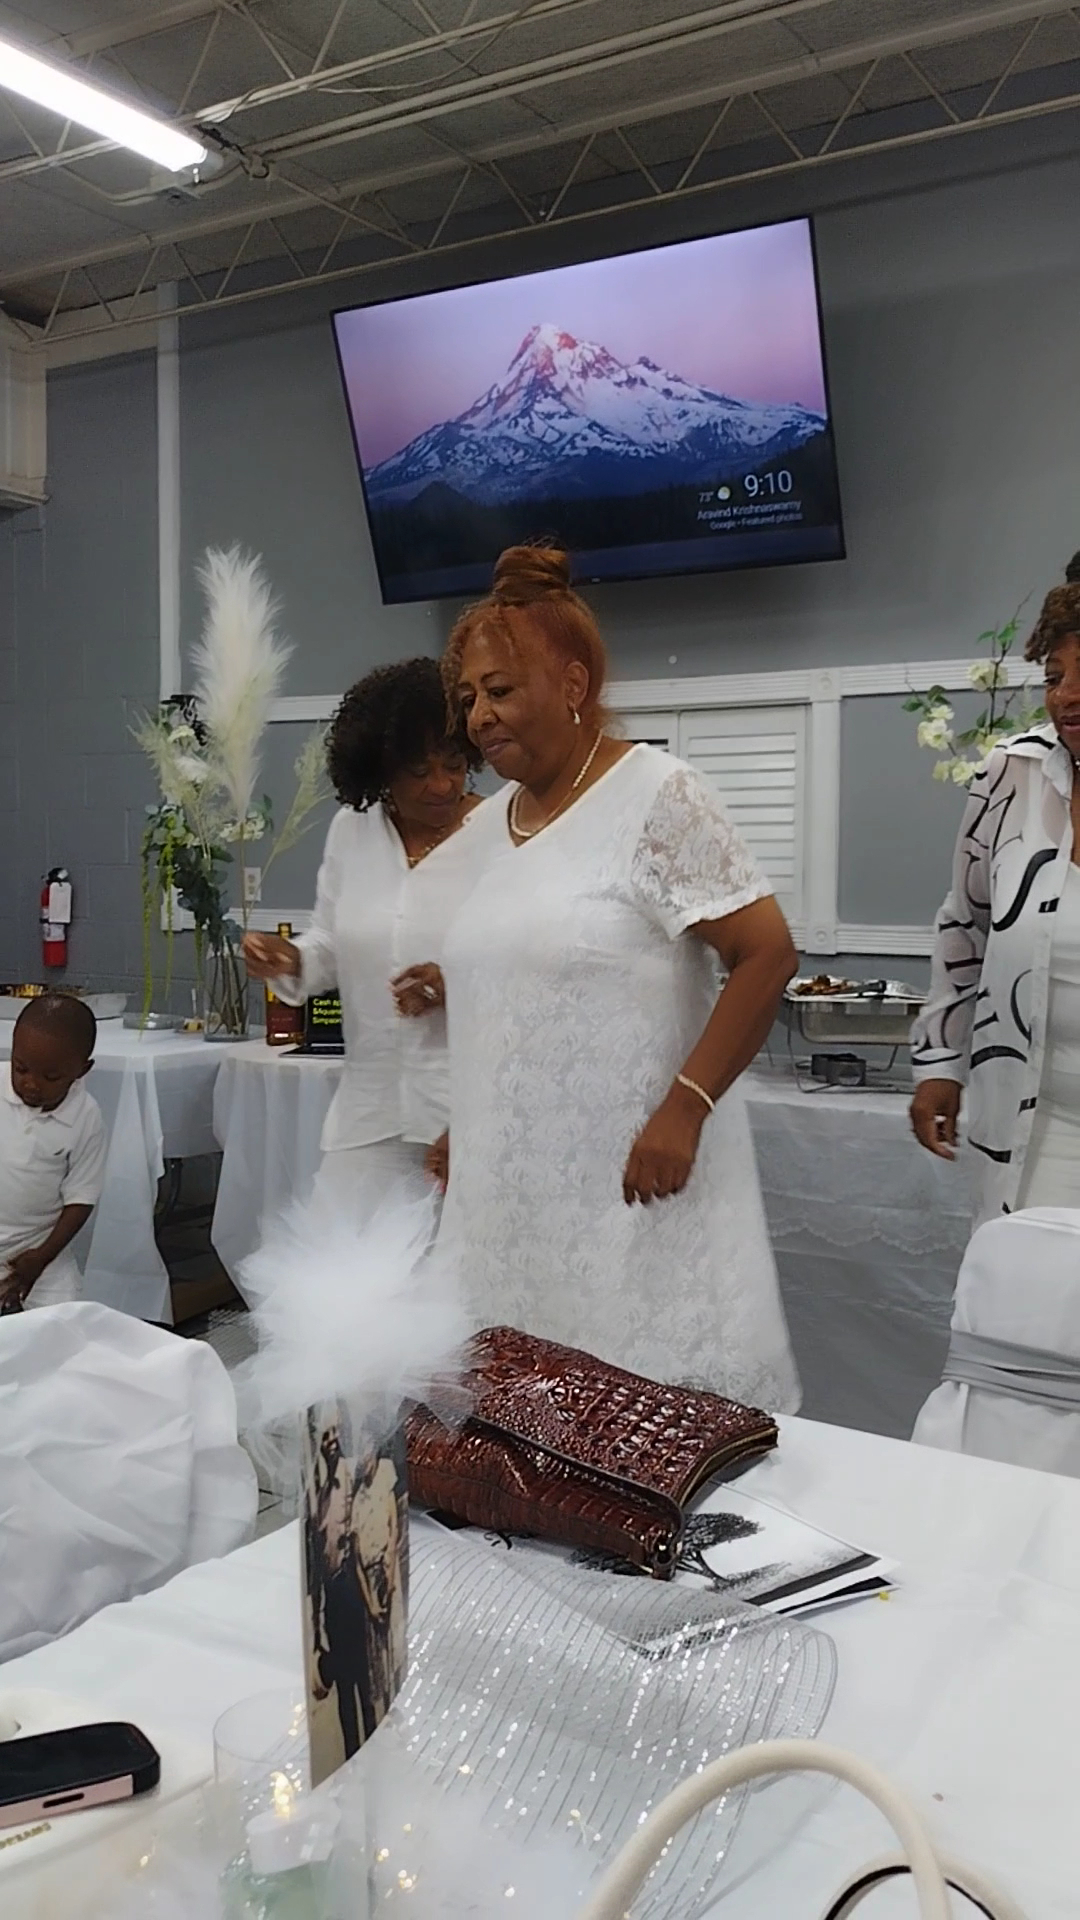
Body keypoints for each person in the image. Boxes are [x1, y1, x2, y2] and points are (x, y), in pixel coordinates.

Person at [430, 545, 800, 1409]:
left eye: (500, 690)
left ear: (573, 683)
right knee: (521, 1433)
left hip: (636, 1192)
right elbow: (508, 999)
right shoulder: (486, 829)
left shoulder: (659, 796)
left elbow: (767, 953)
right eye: (469, 697)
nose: (479, 716)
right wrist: (466, 1122)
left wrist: (686, 1107)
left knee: (647, 1429)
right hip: (513, 1203)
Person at [242, 659, 483, 1212]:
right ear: (380, 770)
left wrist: (457, 983)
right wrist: (290, 959)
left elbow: (525, 969)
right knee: (342, 1258)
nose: (442, 784)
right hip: (369, 1111)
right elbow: (330, 944)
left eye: (454, 765)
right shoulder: (352, 831)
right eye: (419, 771)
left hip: (463, 1112)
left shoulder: (499, 833)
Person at [911, 560, 1080, 1222]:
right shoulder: (1012, 775)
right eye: (1055, 677)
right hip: (1035, 1131)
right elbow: (965, 924)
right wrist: (940, 1061)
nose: (1068, 696)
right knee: (1021, 1283)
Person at [0, 994, 106, 1313]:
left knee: (64, 1322)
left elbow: (81, 1199)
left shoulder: (86, 1117)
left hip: (38, 1250)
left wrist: (42, 1257)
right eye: (21, 1068)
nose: (31, 1084)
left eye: (51, 1077)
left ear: (82, 1070)